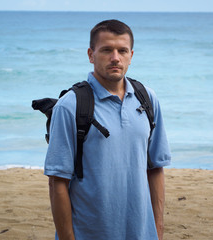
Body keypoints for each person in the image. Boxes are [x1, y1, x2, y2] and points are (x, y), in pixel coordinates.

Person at [44, 19, 171, 240]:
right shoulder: (70, 106)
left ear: (131, 55)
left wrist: (157, 231)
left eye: (122, 50)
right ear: (90, 55)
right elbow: (57, 181)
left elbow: (155, 168)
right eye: (106, 50)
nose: (115, 58)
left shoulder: (148, 99)